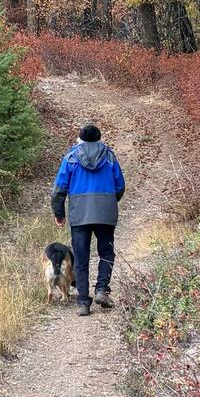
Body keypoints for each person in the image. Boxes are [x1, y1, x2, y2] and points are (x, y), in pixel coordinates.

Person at [50, 122, 125, 317]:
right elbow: (120, 186)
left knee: (81, 257)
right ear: (99, 138)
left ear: (80, 139)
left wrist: (59, 214)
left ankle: (83, 302)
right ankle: (102, 290)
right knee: (106, 252)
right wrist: (108, 202)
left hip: (79, 214)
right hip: (105, 213)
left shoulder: (71, 158)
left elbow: (59, 190)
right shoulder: (109, 156)